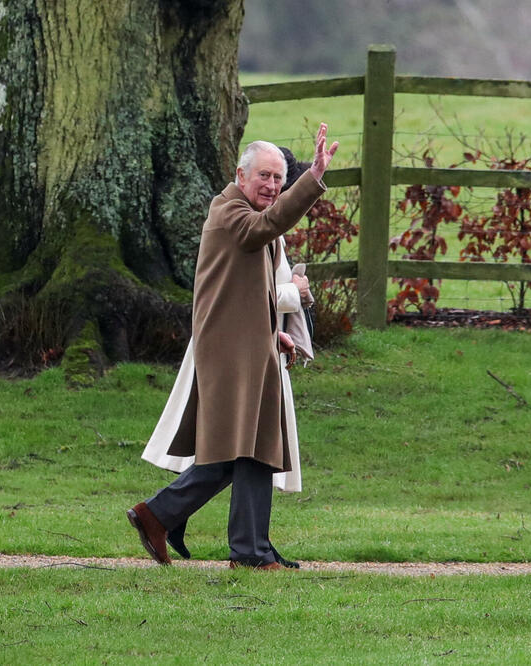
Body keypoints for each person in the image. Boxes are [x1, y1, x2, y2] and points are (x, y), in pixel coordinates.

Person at [127, 124, 338, 570]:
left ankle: (233, 544)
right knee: (244, 450)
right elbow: (267, 226)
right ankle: (183, 524)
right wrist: (313, 179)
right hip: (230, 355)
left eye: (280, 179)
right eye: (264, 176)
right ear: (241, 176)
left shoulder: (241, 214)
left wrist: (272, 331)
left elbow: (246, 291)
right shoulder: (230, 213)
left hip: (247, 347)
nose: (273, 186)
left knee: (253, 450)